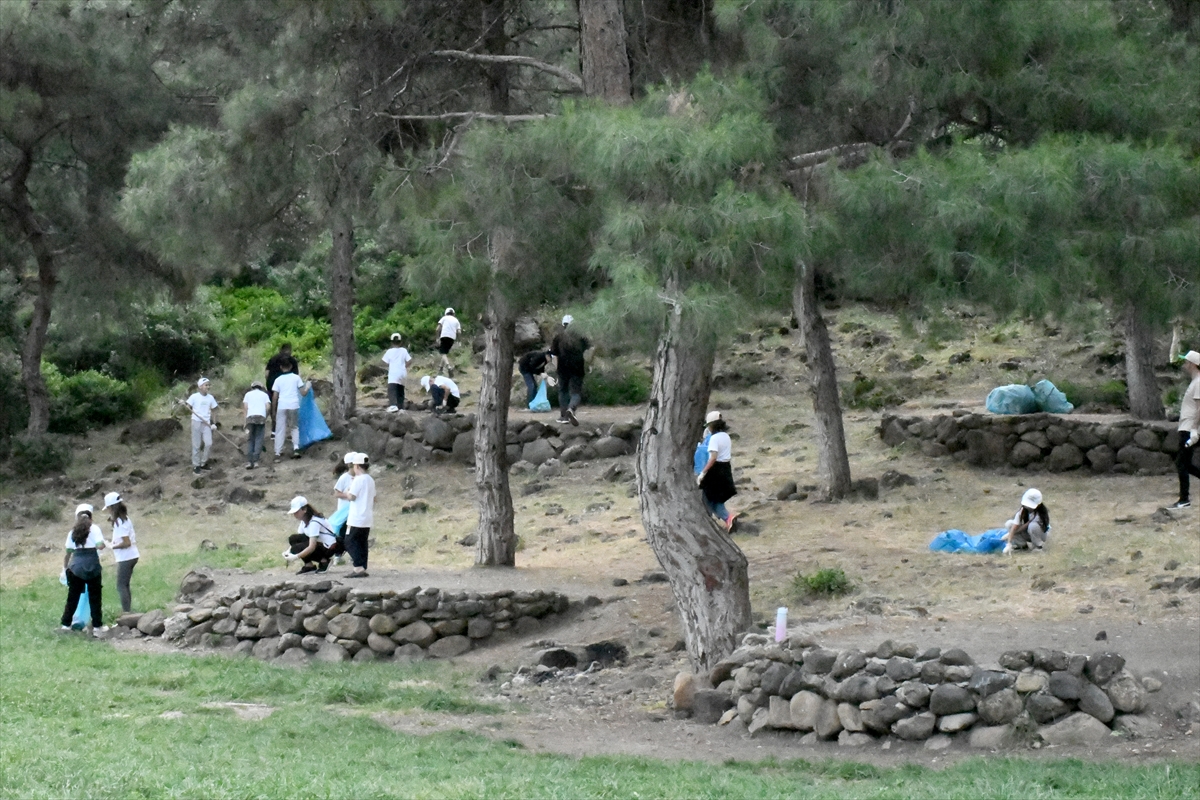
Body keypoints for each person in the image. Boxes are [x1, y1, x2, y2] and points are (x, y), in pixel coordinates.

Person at [60, 504, 107, 635]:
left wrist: (64, 568)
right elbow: (100, 546)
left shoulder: (72, 532)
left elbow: (68, 552)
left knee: (73, 597)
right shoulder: (95, 529)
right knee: (95, 598)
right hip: (93, 565)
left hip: (76, 566)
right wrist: (105, 543)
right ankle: (97, 627)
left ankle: (66, 624)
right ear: (91, 516)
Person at [696, 411, 737, 531]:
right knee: (716, 499)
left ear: (712, 425)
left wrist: (703, 473)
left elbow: (713, 458)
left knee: (707, 497)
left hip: (715, 471)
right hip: (726, 468)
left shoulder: (714, 439)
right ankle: (728, 519)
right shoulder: (726, 436)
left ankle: (715, 521)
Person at [1171, 350, 1200, 508]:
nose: (1184, 364)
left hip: (1190, 429)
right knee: (1185, 464)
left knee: (1182, 463)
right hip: (1187, 427)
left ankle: (1184, 500)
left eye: (1186, 361)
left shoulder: (1198, 382)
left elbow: (1199, 408)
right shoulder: (1195, 381)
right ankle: (1184, 499)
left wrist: (1194, 430)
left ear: (1193, 364)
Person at [550, 314, 589, 426]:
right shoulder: (581, 337)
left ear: (563, 324)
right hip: (578, 368)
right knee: (576, 392)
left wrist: (556, 367)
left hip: (562, 368)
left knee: (563, 391)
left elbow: (553, 354)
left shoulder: (558, 337)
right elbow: (589, 350)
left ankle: (564, 416)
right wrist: (588, 363)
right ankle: (571, 409)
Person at [283, 496, 338, 574]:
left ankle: (324, 561)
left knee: (299, 547)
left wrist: (296, 556)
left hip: (329, 547)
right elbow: (298, 539)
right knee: (293, 539)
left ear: (304, 509)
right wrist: (288, 551)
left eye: (296, 512)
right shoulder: (304, 521)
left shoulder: (314, 522)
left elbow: (311, 547)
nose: (294, 515)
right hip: (320, 544)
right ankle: (309, 565)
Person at [103, 492, 139, 613]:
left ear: (111, 507)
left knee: (121, 585)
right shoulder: (124, 519)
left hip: (126, 557)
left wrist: (112, 546)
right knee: (125, 585)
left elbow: (126, 542)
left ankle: (126, 612)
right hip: (132, 555)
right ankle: (128, 610)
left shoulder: (120, 522)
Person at [343, 452, 375, 578]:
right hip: (367, 516)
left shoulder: (358, 480)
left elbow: (351, 496)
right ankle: (362, 566)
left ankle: (358, 567)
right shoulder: (370, 479)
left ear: (357, 466)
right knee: (362, 542)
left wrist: (347, 491)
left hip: (356, 517)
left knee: (349, 541)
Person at [271, 361, 309, 459]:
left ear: (281, 367)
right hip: (293, 405)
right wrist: (308, 386)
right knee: (294, 427)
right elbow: (303, 393)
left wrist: (273, 411)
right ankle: (296, 448)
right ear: (291, 366)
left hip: (282, 405)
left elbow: (275, 397)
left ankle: (277, 453)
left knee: (280, 429)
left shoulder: (278, 379)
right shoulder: (296, 378)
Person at [185, 378, 219, 475]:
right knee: (196, 444)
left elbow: (214, 410)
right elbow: (188, 406)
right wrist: (185, 405)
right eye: (205, 385)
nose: (207, 387)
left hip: (206, 423)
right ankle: (196, 465)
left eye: (208, 385)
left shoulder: (210, 398)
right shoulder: (194, 396)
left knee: (208, 443)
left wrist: (214, 423)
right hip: (196, 422)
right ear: (200, 387)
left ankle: (203, 463)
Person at [1002, 488, 1051, 553]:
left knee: (1032, 526)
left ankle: (1038, 547)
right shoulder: (1022, 510)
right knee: (1009, 524)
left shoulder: (1039, 515)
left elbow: (1024, 527)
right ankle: (1022, 546)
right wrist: (1009, 542)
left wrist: (1011, 534)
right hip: (1028, 531)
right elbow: (1015, 525)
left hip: (1040, 534)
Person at [265, 342, 300, 420]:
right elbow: (296, 376)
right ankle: (287, 422)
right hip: (287, 390)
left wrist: (269, 383)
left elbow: (266, 374)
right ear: (290, 350)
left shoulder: (272, 359)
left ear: (280, 349)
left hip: (272, 387)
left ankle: (274, 424)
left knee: (273, 406)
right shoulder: (292, 360)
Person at [242, 380, 271, 469]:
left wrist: (245, 422)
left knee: (251, 439)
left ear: (252, 387)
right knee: (259, 438)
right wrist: (265, 416)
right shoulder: (265, 395)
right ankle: (256, 461)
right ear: (261, 387)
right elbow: (268, 407)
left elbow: (246, 408)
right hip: (261, 417)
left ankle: (249, 461)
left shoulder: (248, 394)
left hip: (250, 417)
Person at [382, 332, 412, 413]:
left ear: (391, 342)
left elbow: (385, 362)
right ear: (400, 342)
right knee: (400, 390)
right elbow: (409, 361)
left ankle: (393, 405)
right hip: (402, 372)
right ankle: (401, 407)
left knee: (392, 389)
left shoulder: (389, 351)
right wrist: (404, 366)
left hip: (393, 372)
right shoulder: (403, 350)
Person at [435, 307, 461, 376]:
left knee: (442, 353)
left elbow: (437, 329)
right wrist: (459, 341)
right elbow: (459, 332)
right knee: (444, 353)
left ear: (446, 313)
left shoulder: (444, 318)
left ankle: (448, 367)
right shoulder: (456, 320)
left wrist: (437, 338)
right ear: (453, 313)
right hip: (452, 338)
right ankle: (440, 369)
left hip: (444, 336)